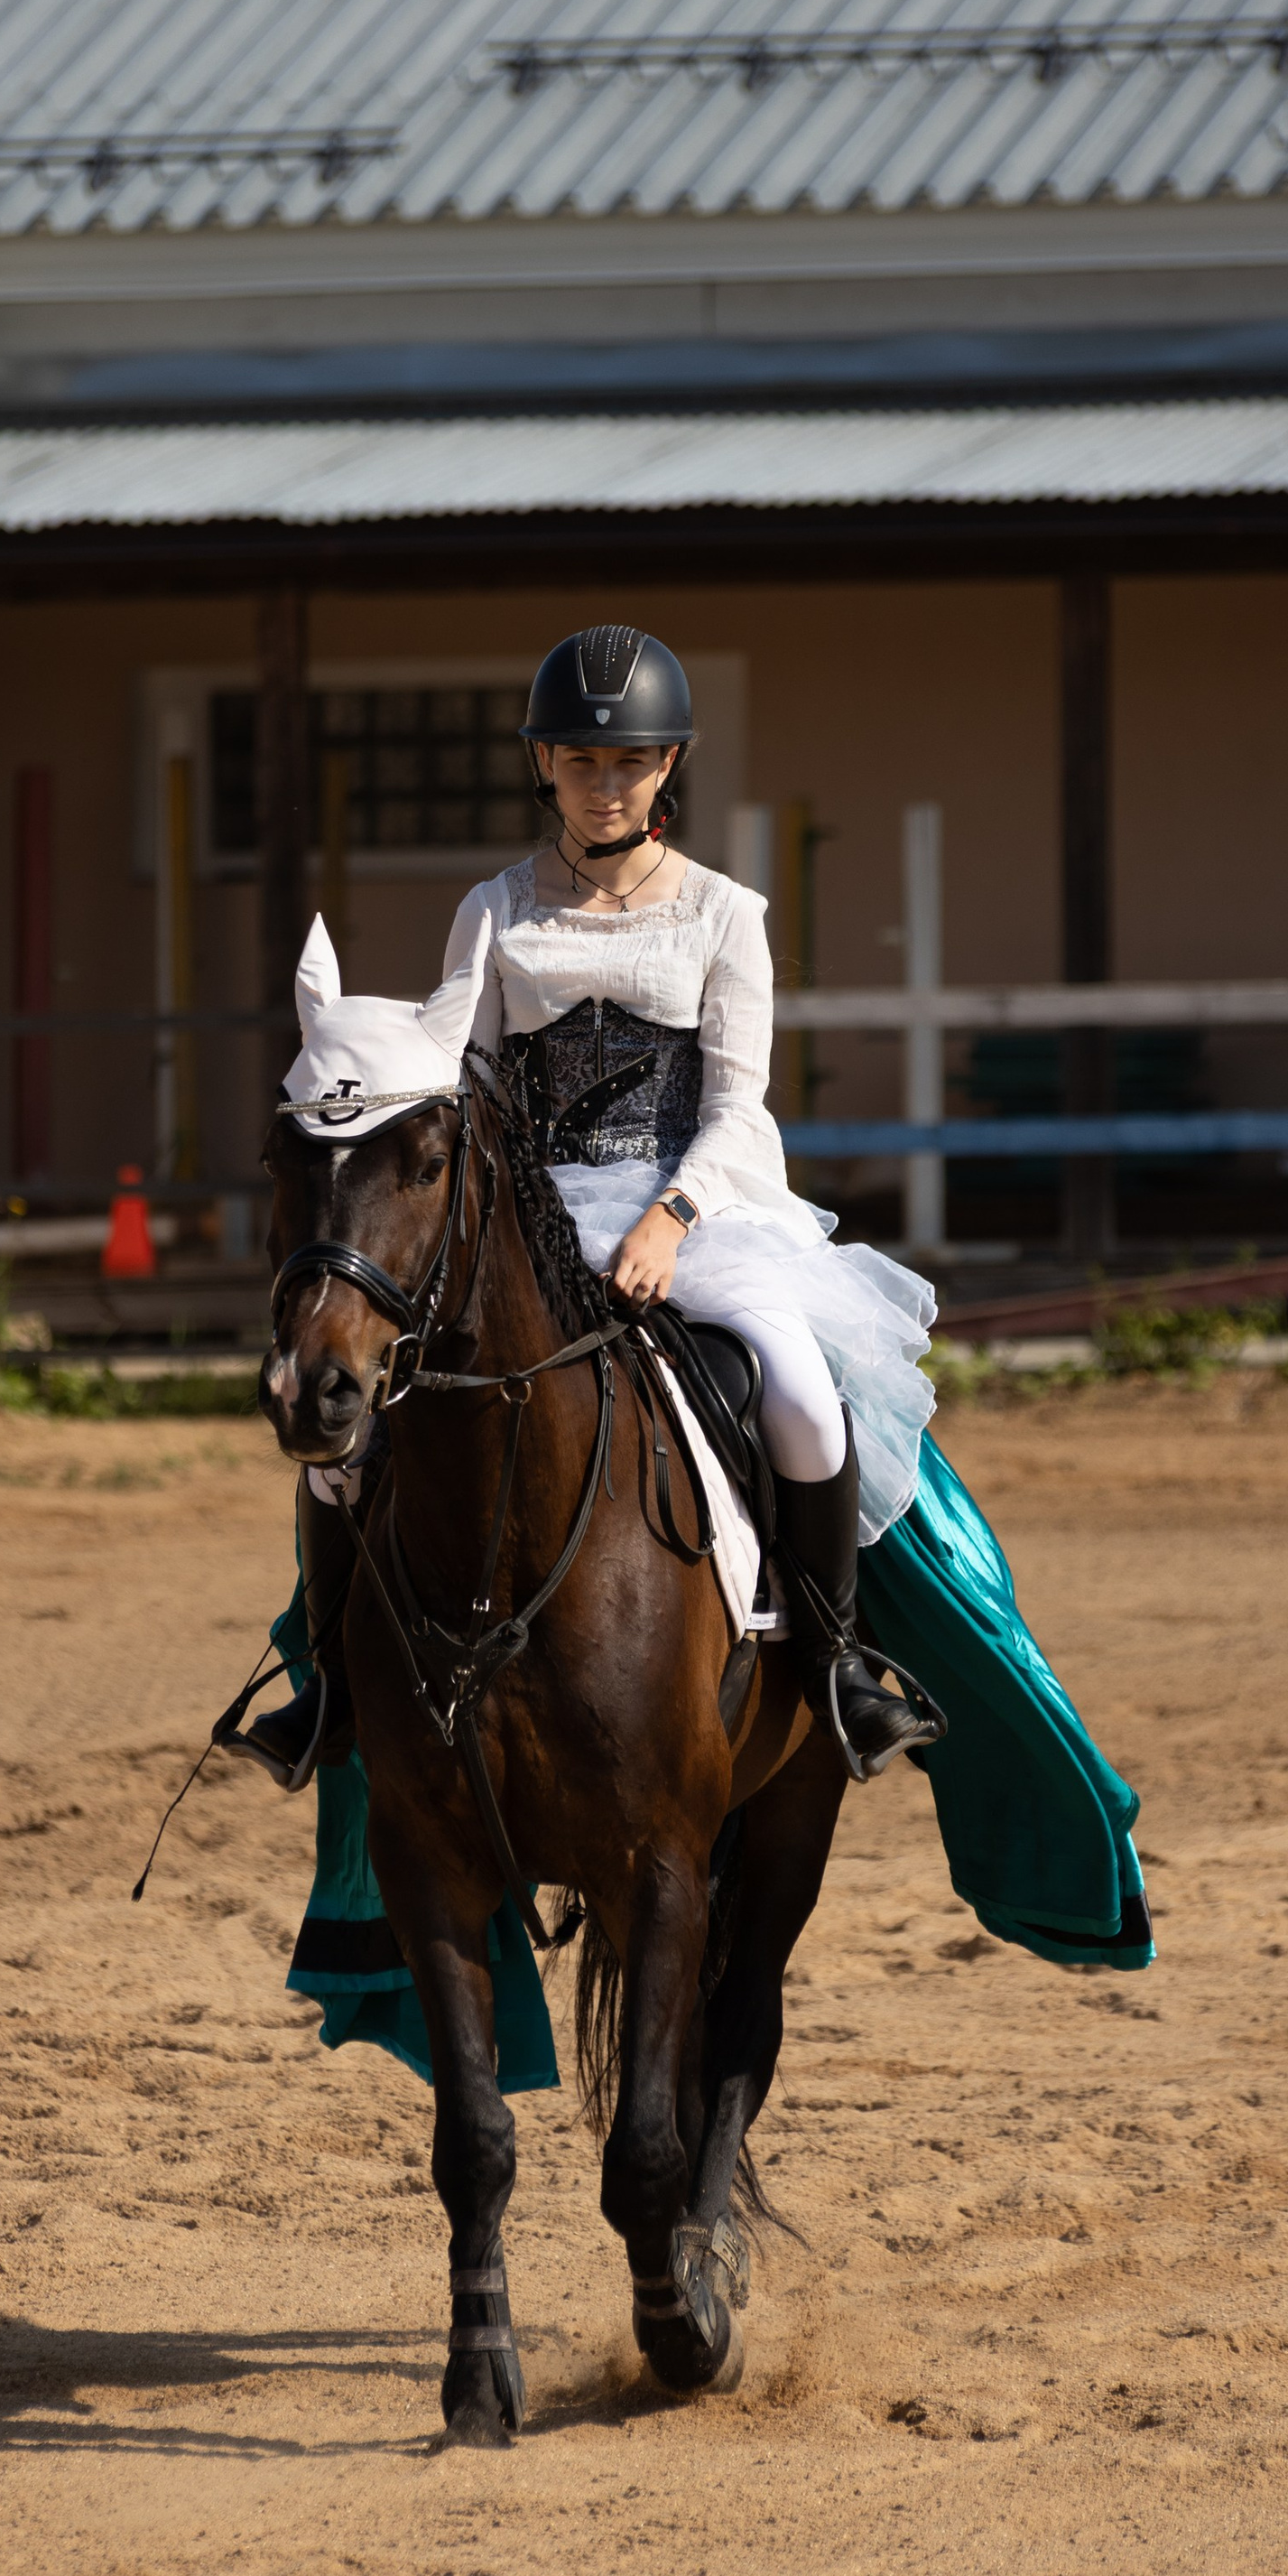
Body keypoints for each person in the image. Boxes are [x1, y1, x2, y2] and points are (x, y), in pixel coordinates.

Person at [231, 620, 946, 1782]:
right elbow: (459, 1088)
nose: (604, 785)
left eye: (629, 762)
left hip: (696, 1209)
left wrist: (671, 1220)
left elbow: (737, 1106)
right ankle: (329, 1686)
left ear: (669, 766)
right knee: (351, 1440)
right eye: (580, 761)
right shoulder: (493, 909)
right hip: (530, 1218)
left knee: (803, 1398)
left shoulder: (726, 913)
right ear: (543, 764)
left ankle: (834, 1663)